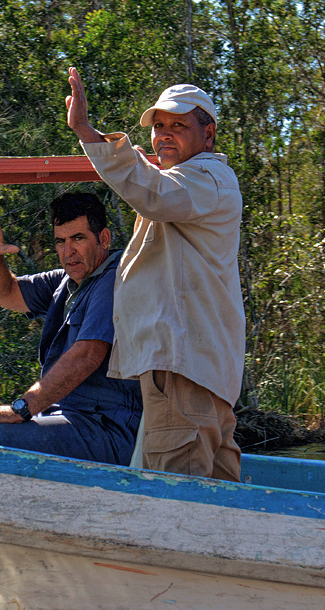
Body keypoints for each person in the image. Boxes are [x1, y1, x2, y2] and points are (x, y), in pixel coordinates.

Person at [66, 68, 244, 481]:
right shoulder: (193, 183)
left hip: (183, 371)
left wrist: (87, 132)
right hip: (201, 374)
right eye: (158, 126)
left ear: (209, 134)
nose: (164, 134)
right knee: (220, 498)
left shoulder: (205, 179)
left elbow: (152, 194)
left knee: (177, 499)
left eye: (178, 125)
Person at [0, 192, 142, 465]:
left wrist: (20, 409)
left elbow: (86, 355)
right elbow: (3, 292)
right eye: (60, 242)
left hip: (106, 429)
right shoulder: (66, 282)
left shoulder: (115, 279)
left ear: (103, 238)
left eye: (78, 238)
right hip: (65, 417)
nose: (68, 252)